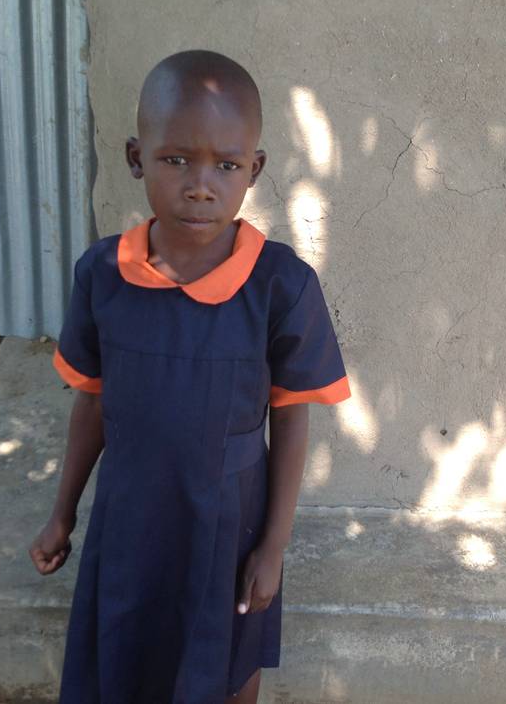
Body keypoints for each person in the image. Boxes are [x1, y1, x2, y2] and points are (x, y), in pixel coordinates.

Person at [29, 49, 350, 703]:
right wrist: (62, 513)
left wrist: (273, 548)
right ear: (135, 158)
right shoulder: (103, 276)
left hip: (229, 528)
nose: (201, 185)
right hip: (129, 519)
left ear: (253, 169)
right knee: (122, 661)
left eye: (226, 166)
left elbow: (291, 419)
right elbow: (91, 403)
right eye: (176, 159)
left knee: (225, 670)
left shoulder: (280, 286)